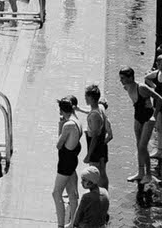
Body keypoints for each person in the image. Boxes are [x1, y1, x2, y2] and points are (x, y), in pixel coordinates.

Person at [119, 66, 161, 185]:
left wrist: (155, 115)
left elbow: (159, 99)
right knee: (138, 145)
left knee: (143, 146)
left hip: (148, 117)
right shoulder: (126, 87)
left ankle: (148, 174)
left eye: (123, 78)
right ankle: (140, 172)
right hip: (138, 116)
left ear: (131, 77)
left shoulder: (141, 88)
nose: (121, 80)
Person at [53, 97, 82, 228]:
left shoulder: (68, 125)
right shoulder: (77, 121)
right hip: (73, 160)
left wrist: (60, 126)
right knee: (71, 193)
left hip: (65, 163)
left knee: (56, 193)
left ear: (62, 110)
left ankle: (60, 225)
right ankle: (72, 223)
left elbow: (59, 145)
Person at [83, 84, 111, 190]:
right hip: (102, 144)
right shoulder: (100, 107)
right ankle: (105, 194)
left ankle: (97, 196)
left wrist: (88, 155)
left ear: (90, 98)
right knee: (103, 173)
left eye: (86, 96)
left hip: (95, 147)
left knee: (94, 174)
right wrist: (79, 109)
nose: (85, 98)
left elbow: (94, 138)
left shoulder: (94, 116)